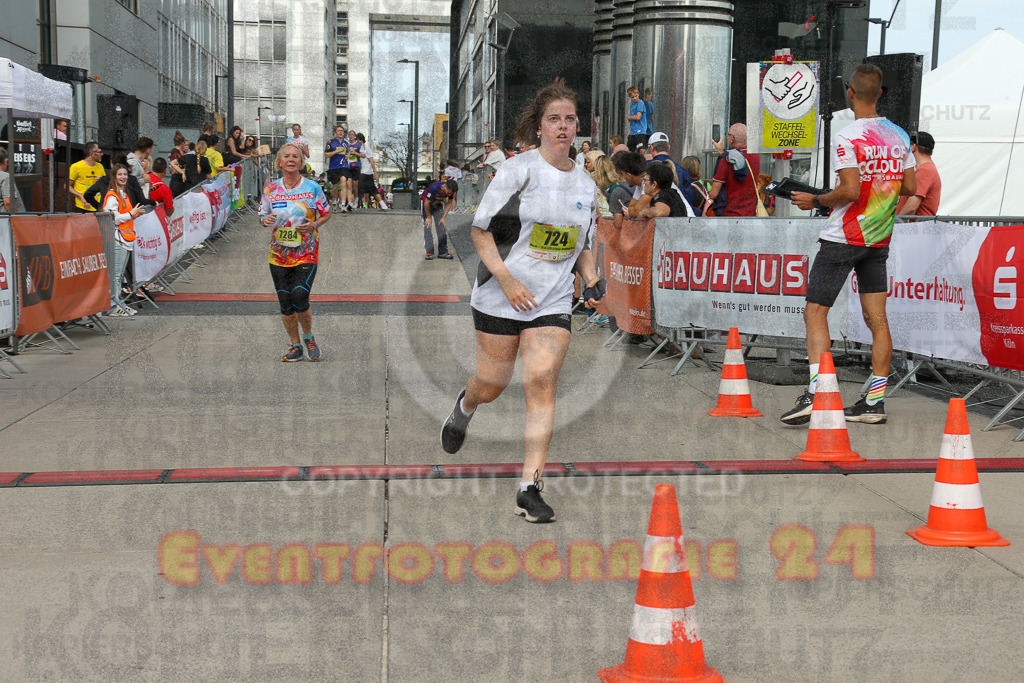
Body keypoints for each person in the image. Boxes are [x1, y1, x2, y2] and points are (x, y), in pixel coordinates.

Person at [440, 79, 605, 524]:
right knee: (492, 383)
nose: (563, 127)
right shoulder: (518, 170)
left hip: (551, 301)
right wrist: (508, 280)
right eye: (554, 119)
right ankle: (466, 405)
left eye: (570, 119)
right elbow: (480, 230)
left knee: (541, 381)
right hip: (500, 296)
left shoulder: (585, 185)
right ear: (539, 126)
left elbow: (582, 245)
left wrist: (591, 278)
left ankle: (529, 487)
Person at [785, 63, 917, 426]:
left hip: (843, 237)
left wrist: (815, 200)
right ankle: (874, 403)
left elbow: (850, 191)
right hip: (879, 238)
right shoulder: (899, 135)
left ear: (851, 94)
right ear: (880, 94)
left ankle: (818, 393)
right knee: (878, 320)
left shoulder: (848, 136)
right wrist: (882, 186)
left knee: (815, 312)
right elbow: (909, 187)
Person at [258, 142, 332, 362]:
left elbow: (327, 213)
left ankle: (308, 337)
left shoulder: (312, 187)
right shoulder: (271, 189)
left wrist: (314, 224)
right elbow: (262, 215)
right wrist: (265, 220)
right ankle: (295, 345)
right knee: (285, 301)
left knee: (299, 296)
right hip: (278, 254)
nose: (291, 160)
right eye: (287, 156)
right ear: (279, 162)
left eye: (295, 157)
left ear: (301, 162)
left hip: (306, 251)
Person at [103, 164, 146, 317]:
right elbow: (113, 219)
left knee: (119, 275)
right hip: (118, 239)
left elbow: (124, 216)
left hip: (125, 239)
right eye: (120, 174)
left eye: (125, 174)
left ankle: (118, 303)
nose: (123, 177)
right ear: (114, 177)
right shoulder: (112, 196)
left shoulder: (123, 195)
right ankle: (113, 306)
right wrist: (131, 214)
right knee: (116, 275)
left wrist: (134, 214)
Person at [706, 123, 760, 216]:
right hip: (750, 215)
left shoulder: (725, 160)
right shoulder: (756, 157)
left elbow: (713, 194)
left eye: (727, 135)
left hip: (729, 216)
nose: (727, 137)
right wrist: (721, 152)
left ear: (732, 138)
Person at [897, 131, 941, 216]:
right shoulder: (927, 168)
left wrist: (896, 222)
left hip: (916, 224)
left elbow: (911, 207)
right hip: (917, 223)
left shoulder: (925, 170)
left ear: (914, 147)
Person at [647, 131, 692, 207]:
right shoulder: (683, 172)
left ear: (652, 148)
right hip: (677, 211)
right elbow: (687, 201)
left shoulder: (646, 167)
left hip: (651, 211)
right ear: (669, 148)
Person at [420, 178, 458, 259]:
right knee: (427, 226)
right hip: (427, 203)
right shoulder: (434, 187)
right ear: (445, 187)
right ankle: (429, 252)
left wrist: (444, 217)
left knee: (441, 227)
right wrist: (428, 217)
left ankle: (443, 251)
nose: (449, 195)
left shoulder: (451, 192)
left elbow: (449, 203)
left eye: (451, 193)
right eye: (448, 193)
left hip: (437, 204)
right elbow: (426, 202)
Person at [69, 141, 107, 212]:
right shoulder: (76, 167)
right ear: (92, 154)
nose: (102, 154)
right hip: (83, 206)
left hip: (97, 205)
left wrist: (101, 180)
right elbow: (67, 186)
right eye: (100, 152)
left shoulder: (100, 166)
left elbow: (105, 185)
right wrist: (80, 195)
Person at [355, 133, 388, 210]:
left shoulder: (366, 148)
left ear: (361, 140)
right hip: (366, 172)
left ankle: (355, 203)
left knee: (359, 188)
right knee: (372, 190)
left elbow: (372, 161)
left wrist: (375, 173)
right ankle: (383, 205)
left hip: (366, 172)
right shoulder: (361, 149)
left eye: (357, 141)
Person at [324, 125, 347, 210]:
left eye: (342, 131)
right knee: (335, 187)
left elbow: (348, 153)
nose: (340, 132)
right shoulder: (331, 142)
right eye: (338, 131)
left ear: (344, 133)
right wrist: (336, 151)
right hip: (333, 167)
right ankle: (334, 201)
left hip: (344, 166)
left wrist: (348, 155)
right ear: (335, 133)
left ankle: (343, 204)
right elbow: (326, 155)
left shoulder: (346, 143)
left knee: (343, 183)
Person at [0, 149, 25, 213]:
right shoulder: (5, 177)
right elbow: (8, 202)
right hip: (5, 217)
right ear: (5, 162)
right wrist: (16, 216)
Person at [626, 86, 650, 151]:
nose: (635, 98)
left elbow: (638, 117)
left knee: (641, 150)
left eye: (636, 96)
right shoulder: (632, 104)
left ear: (638, 94)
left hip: (640, 131)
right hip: (633, 132)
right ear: (630, 97)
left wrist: (630, 117)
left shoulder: (640, 103)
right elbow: (633, 122)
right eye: (632, 97)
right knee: (629, 150)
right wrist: (630, 131)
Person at [168, 131, 189, 195]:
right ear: (182, 143)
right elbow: (175, 170)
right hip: (177, 182)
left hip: (176, 181)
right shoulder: (176, 153)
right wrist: (186, 170)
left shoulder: (173, 151)